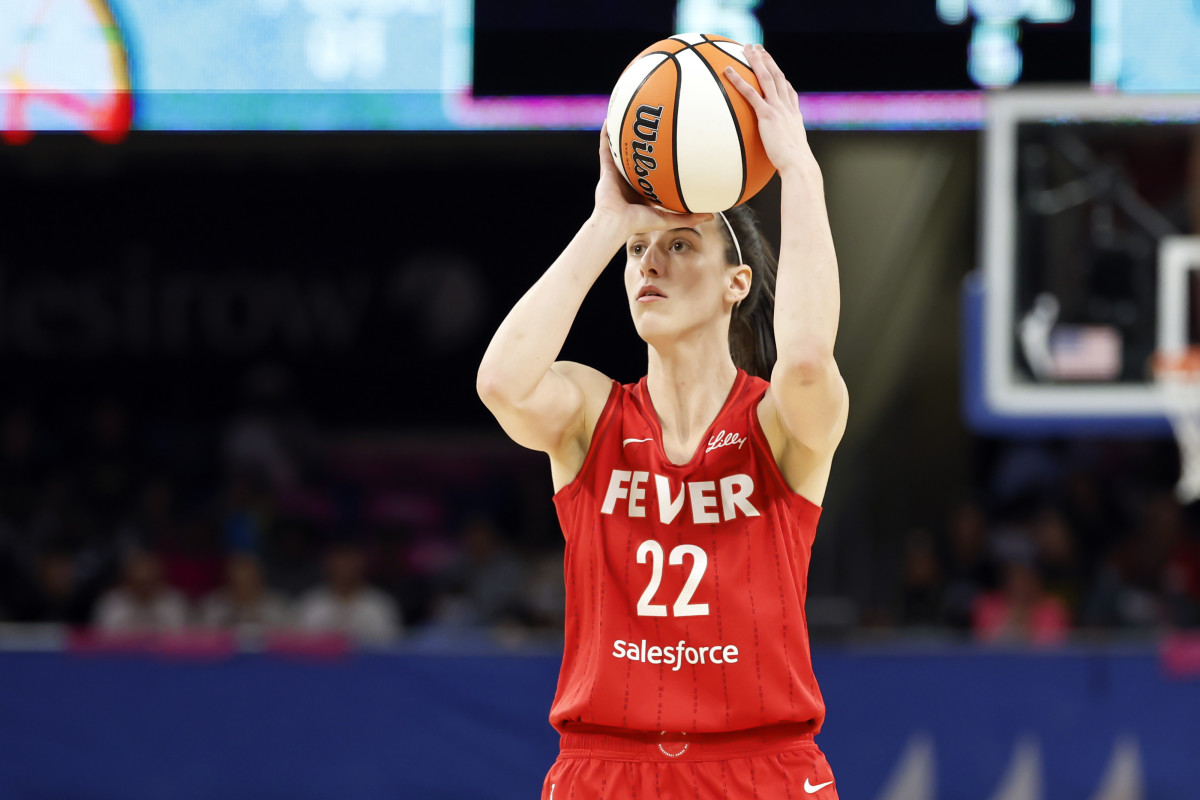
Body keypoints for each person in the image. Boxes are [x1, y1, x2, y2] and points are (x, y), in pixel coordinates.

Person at [477, 44, 847, 799]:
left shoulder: (779, 424)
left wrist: (801, 172)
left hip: (763, 766)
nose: (651, 265)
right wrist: (606, 223)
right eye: (640, 252)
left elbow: (806, 360)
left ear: (734, 283)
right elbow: (501, 383)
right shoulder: (589, 412)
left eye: (681, 246)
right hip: (605, 767)